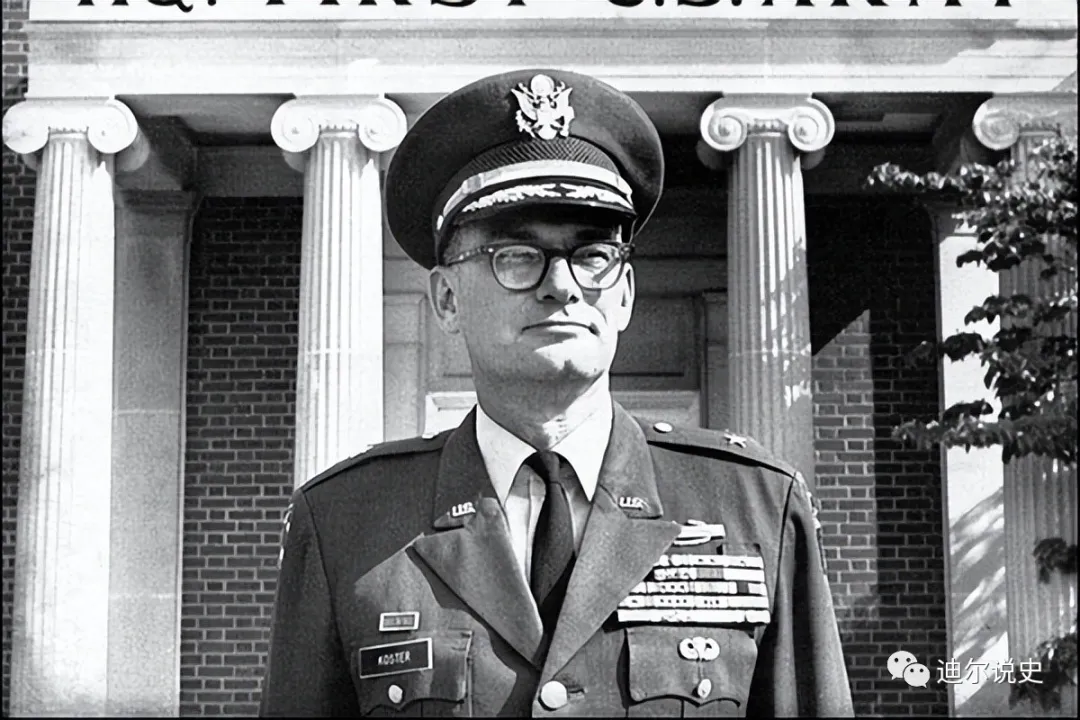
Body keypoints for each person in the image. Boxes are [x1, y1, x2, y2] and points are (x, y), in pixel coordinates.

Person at [260, 68, 854, 717]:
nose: (564, 285)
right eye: (517, 255)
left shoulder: (754, 507)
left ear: (624, 295)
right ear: (447, 298)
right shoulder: (346, 523)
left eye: (594, 256)